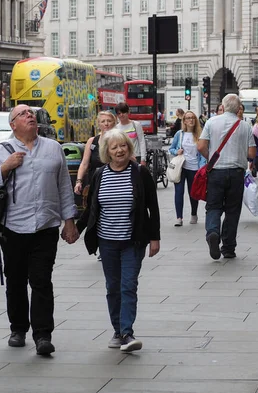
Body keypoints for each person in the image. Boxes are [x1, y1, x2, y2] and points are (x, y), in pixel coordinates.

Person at [0, 105, 78, 356]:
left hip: (45, 226)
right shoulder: (3, 150)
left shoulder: (53, 147)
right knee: (15, 281)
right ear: (13, 124)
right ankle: (18, 328)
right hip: (12, 227)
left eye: (31, 113)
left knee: (42, 281)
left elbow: (64, 187)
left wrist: (69, 220)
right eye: (23, 114)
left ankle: (43, 335)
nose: (30, 116)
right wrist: (5, 168)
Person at [76, 129, 160, 352]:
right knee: (113, 287)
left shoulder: (140, 173)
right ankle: (117, 329)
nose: (119, 150)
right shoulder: (100, 175)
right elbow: (91, 208)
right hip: (107, 242)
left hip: (133, 241)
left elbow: (153, 207)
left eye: (123, 146)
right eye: (114, 147)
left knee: (128, 286)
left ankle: (127, 332)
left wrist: (154, 238)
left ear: (129, 148)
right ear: (107, 152)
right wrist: (76, 229)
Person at [197, 94, 256, 260]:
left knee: (213, 206)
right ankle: (228, 247)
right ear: (238, 109)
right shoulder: (245, 126)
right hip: (236, 173)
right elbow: (252, 153)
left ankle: (213, 232)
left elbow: (201, 146)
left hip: (216, 172)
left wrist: (210, 157)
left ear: (222, 106)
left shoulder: (211, 122)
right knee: (232, 210)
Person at [169, 110, 206, 227]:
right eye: (188, 118)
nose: (190, 120)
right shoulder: (179, 134)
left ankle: (194, 214)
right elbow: (171, 149)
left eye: (192, 118)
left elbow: (204, 152)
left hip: (194, 168)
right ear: (184, 121)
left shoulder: (200, 135)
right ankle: (179, 217)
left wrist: (202, 167)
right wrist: (176, 151)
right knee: (179, 192)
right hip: (180, 167)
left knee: (193, 193)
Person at [74, 111, 117, 196]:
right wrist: (79, 181)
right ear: (99, 124)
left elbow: (130, 159)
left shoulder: (119, 139)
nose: (106, 124)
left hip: (114, 182)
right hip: (96, 182)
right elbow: (84, 163)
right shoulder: (92, 141)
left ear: (114, 123)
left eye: (109, 121)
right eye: (103, 121)